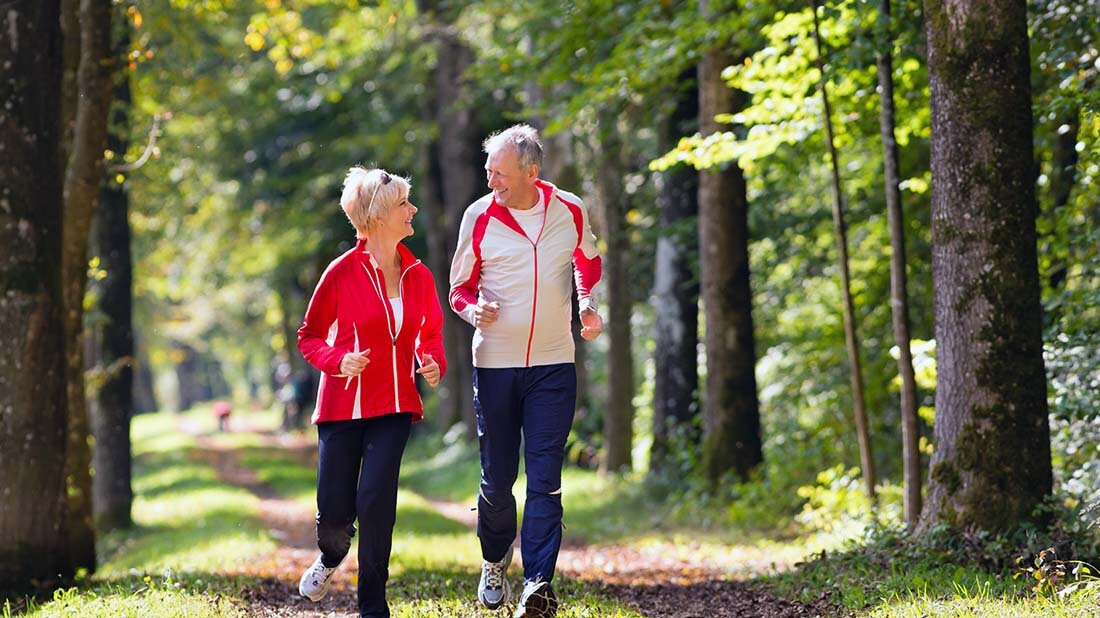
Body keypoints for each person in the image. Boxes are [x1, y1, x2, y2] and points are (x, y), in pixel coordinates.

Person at [449, 124, 604, 618]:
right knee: (497, 483)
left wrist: (587, 303)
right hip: (494, 364)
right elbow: (458, 289)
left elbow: (588, 260)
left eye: (499, 171)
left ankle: (538, 583)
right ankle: (494, 560)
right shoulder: (478, 216)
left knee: (545, 479)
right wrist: (473, 311)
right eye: (488, 169)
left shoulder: (569, 209)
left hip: (554, 365)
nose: (490, 178)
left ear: (531, 173)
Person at [296, 167, 446, 618]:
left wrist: (431, 359)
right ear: (379, 216)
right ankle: (329, 557)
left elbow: (430, 332)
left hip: (395, 404)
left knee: (377, 501)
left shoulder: (418, 274)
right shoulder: (341, 273)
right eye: (404, 203)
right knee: (336, 518)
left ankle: (373, 606)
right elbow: (309, 335)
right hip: (342, 407)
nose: (413, 209)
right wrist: (337, 361)